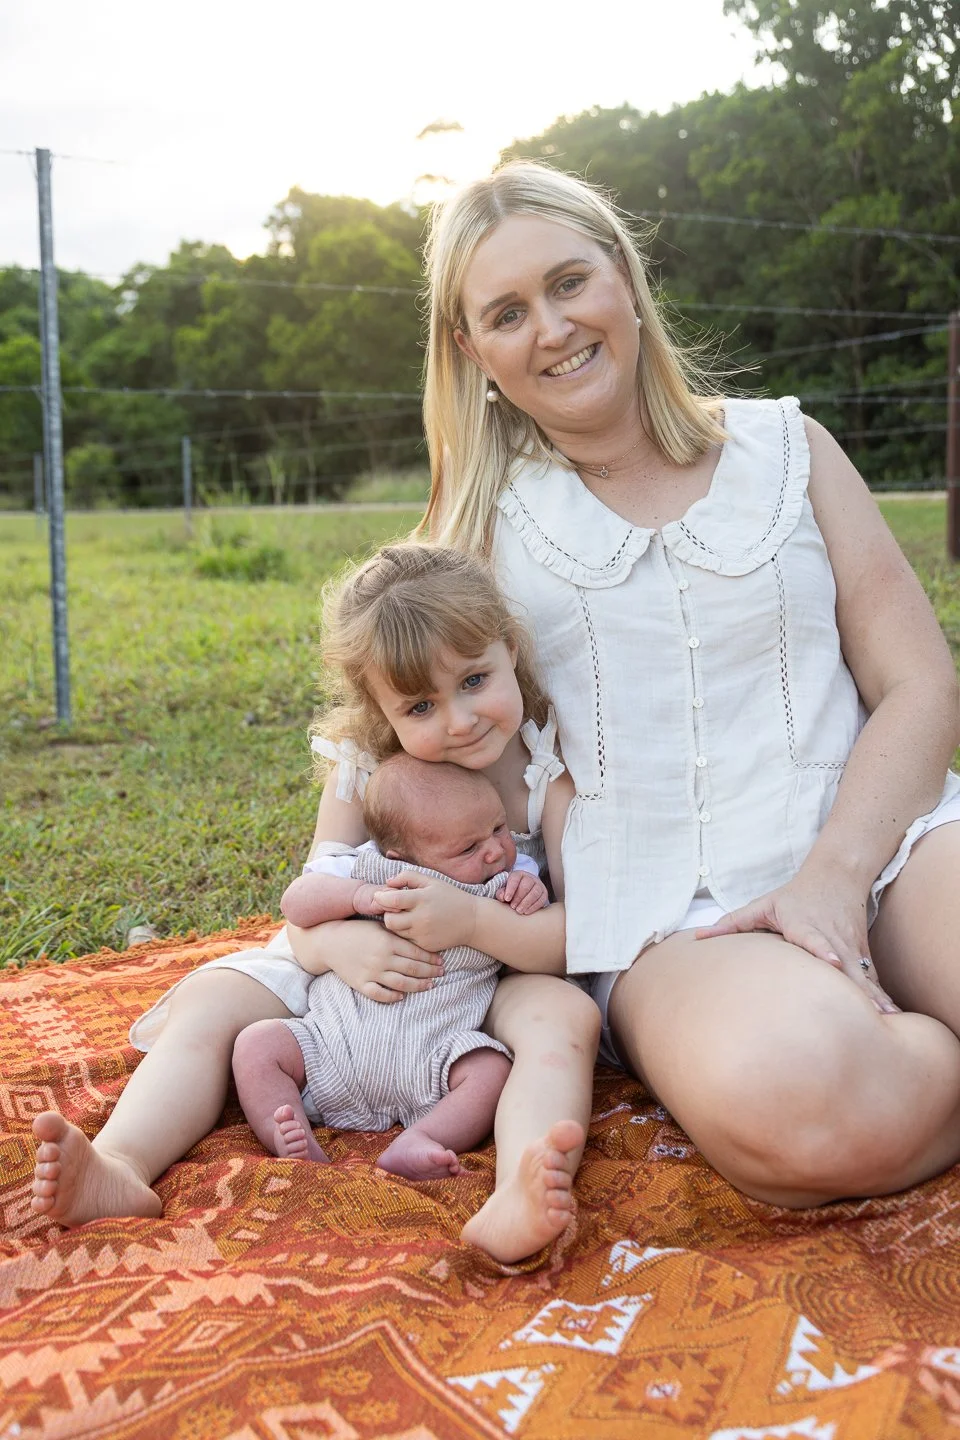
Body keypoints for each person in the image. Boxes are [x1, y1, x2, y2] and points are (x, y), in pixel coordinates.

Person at [380, 157, 960, 1210]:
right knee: (808, 1102)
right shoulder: (475, 536)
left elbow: (919, 680)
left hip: (889, 842)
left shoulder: (791, 449)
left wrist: (836, 875)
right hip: (668, 909)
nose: (551, 328)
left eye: (568, 283)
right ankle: (889, 1056)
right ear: (473, 352)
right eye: (507, 313)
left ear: (624, 275)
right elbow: (398, 740)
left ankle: (901, 1010)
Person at [31, 542, 600, 1265]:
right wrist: (336, 947)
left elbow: (576, 935)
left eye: (474, 679)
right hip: (341, 969)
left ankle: (519, 1189)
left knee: (568, 1017)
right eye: (420, 705)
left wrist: (478, 922)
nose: (458, 720)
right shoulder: (363, 773)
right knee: (210, 1001)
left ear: (509, 649)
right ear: (379, 706)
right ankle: (118, 1165)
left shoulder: (542, 777)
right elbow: (304, 910)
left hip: (487, 977)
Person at [232, 752, 547, 1181]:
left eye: (497, 828)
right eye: (468, 847)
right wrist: (358, 897)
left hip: (436, 1057)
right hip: (331, 1048)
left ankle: (424, 1137)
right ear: (403, 854)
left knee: (492, 1070)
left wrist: (531, 893)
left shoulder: (509, 877)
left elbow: (535, 927)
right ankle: (290, 1135)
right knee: (257, 1044)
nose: (494, 850)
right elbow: (295, 902)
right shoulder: (365, 867)